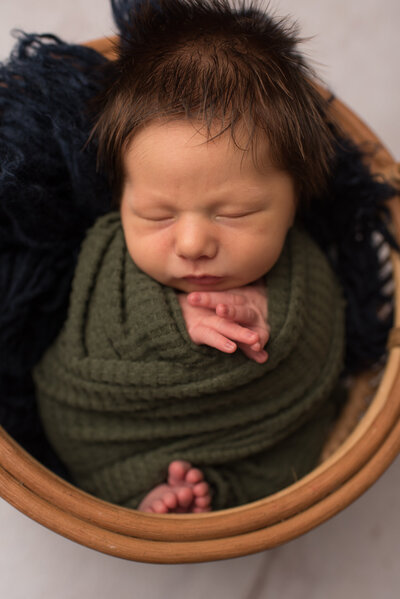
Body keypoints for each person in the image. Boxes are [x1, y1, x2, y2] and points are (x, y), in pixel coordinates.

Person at [33, 0, 345, 514]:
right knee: (79, 433)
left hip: (260, 436)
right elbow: (83, 345)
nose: (192, 243)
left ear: (296, 202)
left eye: (236, 213)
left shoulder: (303, 266)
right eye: (157, 215)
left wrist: (269, 318)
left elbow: (320, 341)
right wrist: (168, 324)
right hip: (114, 430)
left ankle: (212, 498)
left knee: (284, 465)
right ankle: (138, 491)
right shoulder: (109, 252)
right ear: (121, 199)